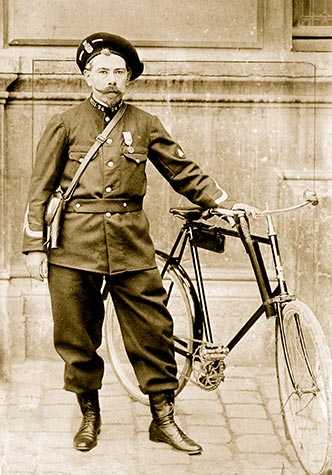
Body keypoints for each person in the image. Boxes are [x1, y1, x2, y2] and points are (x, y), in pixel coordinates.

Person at [23, 32, 255, 455]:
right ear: (86, 76)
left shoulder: (145, 123)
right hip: (73, 245)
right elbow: (39, 189)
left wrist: (223, 202)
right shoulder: (65, 122)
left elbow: (183, 171)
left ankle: (163, 420)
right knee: (76, 335)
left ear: (128, 77)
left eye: (118, 71)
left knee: (153, 330)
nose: (111, 79)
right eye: (102, 71)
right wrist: (35, 246)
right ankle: (89, 416)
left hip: (131, 243)